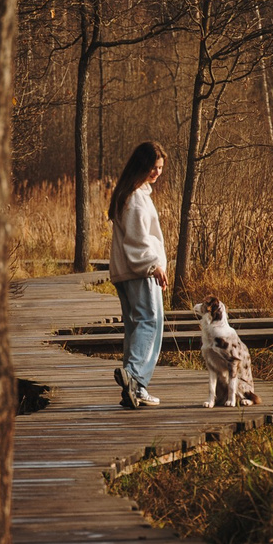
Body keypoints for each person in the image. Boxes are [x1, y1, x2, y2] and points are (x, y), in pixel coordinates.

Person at [106, 140, 169, 410]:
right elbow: (138, 240)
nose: (157, 172)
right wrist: (154, 264)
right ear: (141, 165)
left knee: (136, 325)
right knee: (150, 322)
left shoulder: (132, 194)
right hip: (141, 271)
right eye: (153, 167)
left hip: (129, 272)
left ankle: (132, 387)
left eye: (160, 168)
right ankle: (135, 378)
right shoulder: (135, 199)